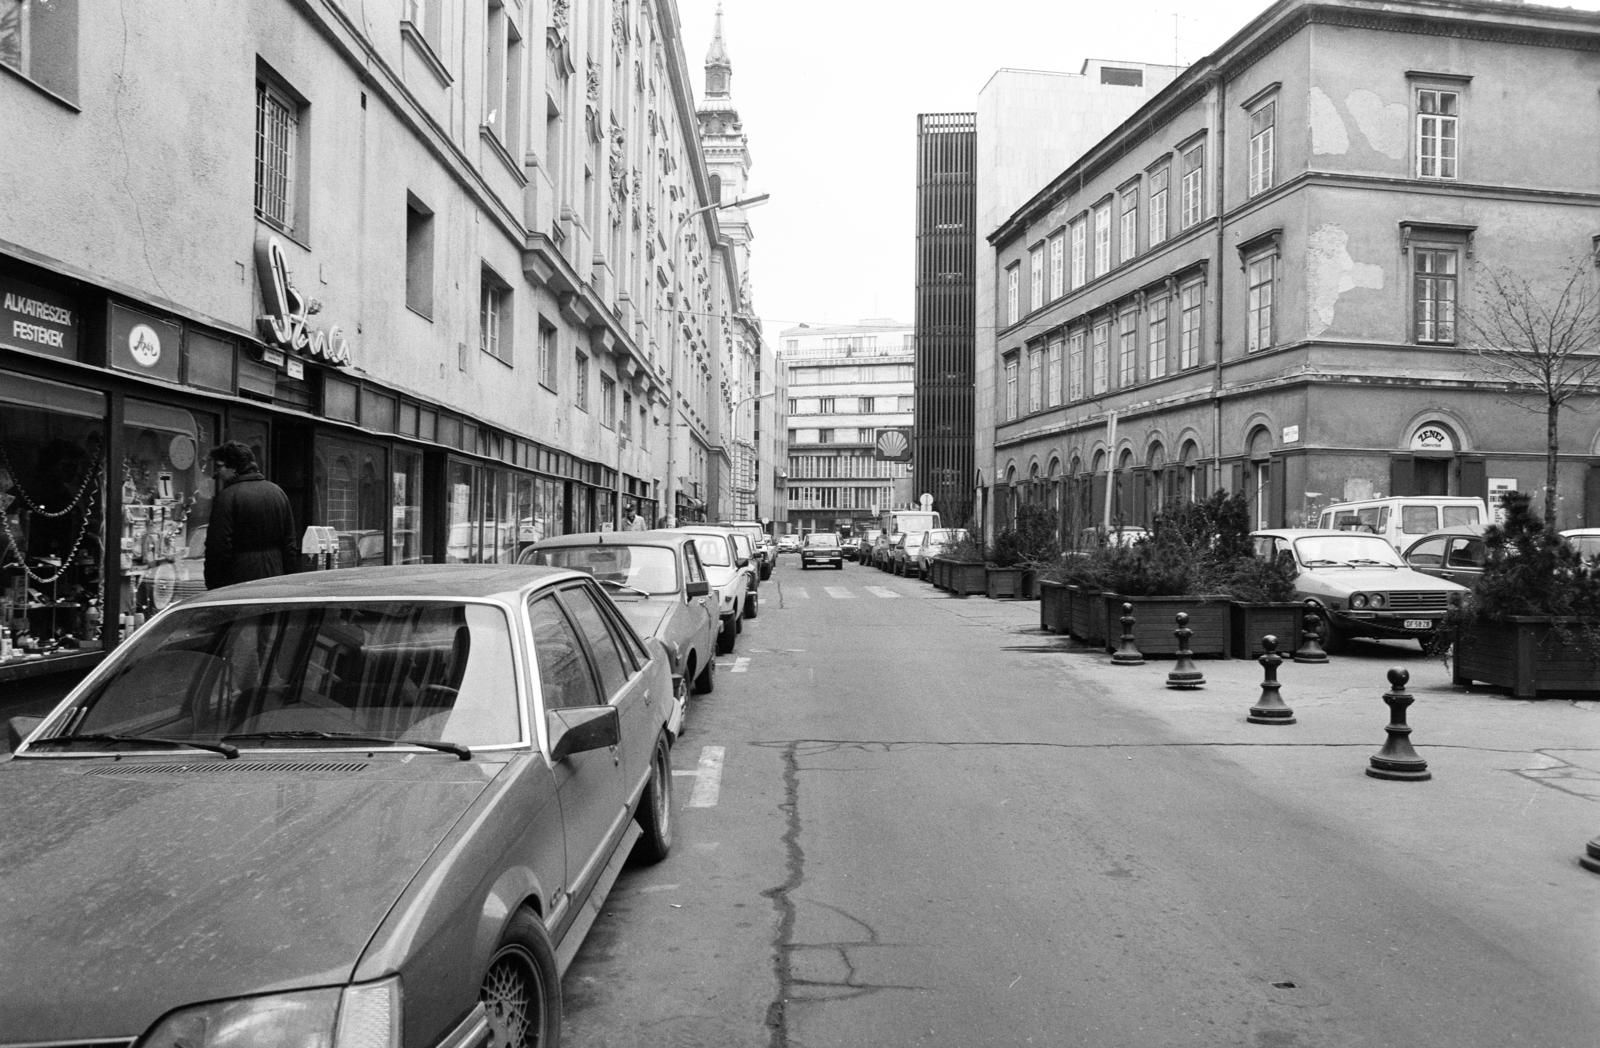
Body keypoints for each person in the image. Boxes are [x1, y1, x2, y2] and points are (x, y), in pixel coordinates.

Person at [204, 441, 298, 589]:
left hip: (239, 580)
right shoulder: (278, 493)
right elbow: (290, 544)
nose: (216, 473)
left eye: (219, 466)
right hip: (275, 577)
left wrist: (213, 585)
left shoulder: (227, 497)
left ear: (233, 466)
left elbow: (218, 548)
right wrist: (289, 578)